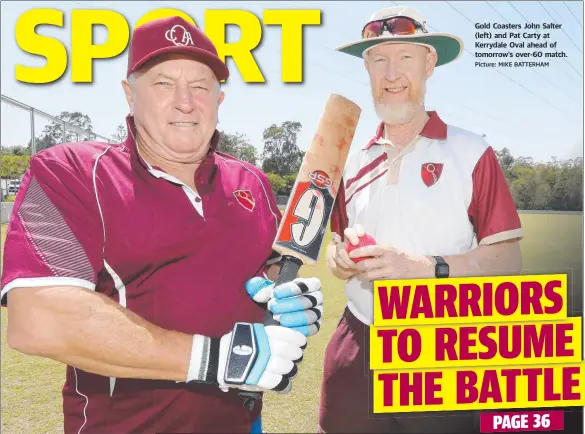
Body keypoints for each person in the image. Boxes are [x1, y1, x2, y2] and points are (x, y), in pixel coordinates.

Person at [1, 16, 323, 434]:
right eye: (163, 83)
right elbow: (38, 320)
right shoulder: (69, 171)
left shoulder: (253, 182)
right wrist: (218, 358)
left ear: (219, 100)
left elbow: (259, 268)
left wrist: (282, 293)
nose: (185, 102)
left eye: (201, 86)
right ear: (129, 94)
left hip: (243, 422)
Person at [319, 6, 524, 433]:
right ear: (367, 68)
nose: (392, 74)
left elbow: (507, 261)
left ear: (429, 64)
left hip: (440, 349)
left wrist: (423, 268)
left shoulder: (471, 152)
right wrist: (339, 257)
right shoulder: (348, 158)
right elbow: (336, 241)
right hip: (355, 341)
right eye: (378, 60)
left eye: (406, 58)